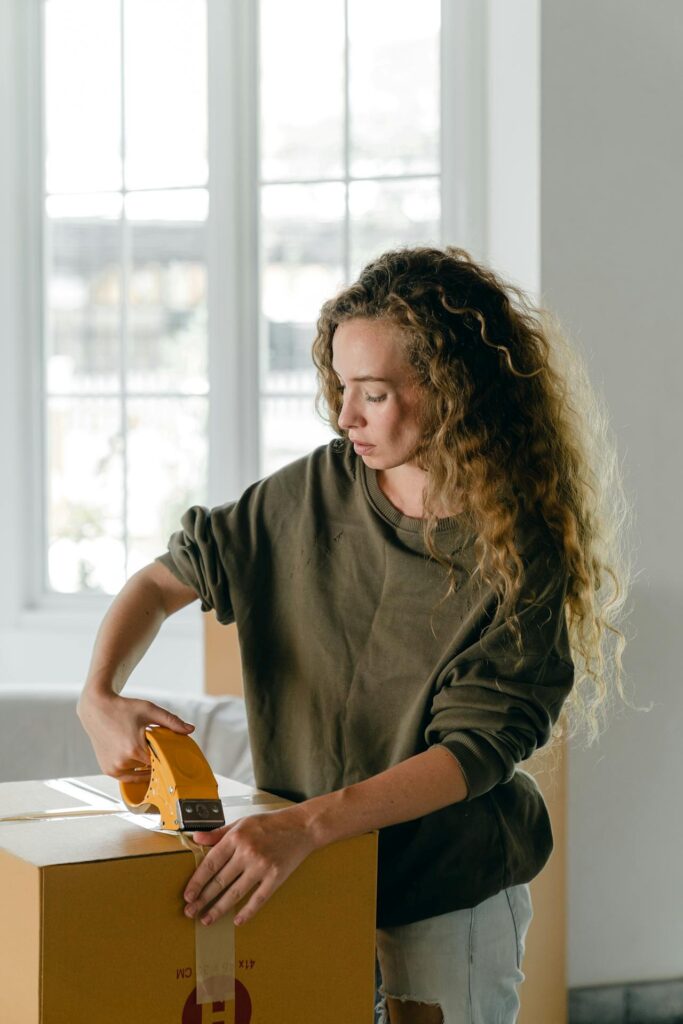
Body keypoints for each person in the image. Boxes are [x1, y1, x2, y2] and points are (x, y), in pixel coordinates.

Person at [78, 245, 634, 1024]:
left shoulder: (517, 551)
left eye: (373, 393)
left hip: (440, 895)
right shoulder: (308, 492)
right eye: (341, 389)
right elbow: (166, 579)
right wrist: (99, 693)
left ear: (455, 389)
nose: (345, 417)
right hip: (307, 875)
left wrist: (302, 827)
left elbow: (471, 751)